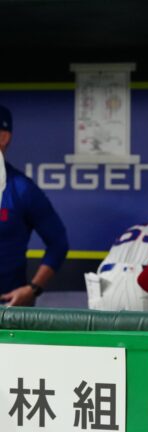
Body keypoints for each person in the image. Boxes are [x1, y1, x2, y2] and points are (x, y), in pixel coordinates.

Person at [0, 104, 69, 306]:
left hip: (7, 309)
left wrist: (33, 289)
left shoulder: (22, 189)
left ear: (4, 138)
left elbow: (59, 243)